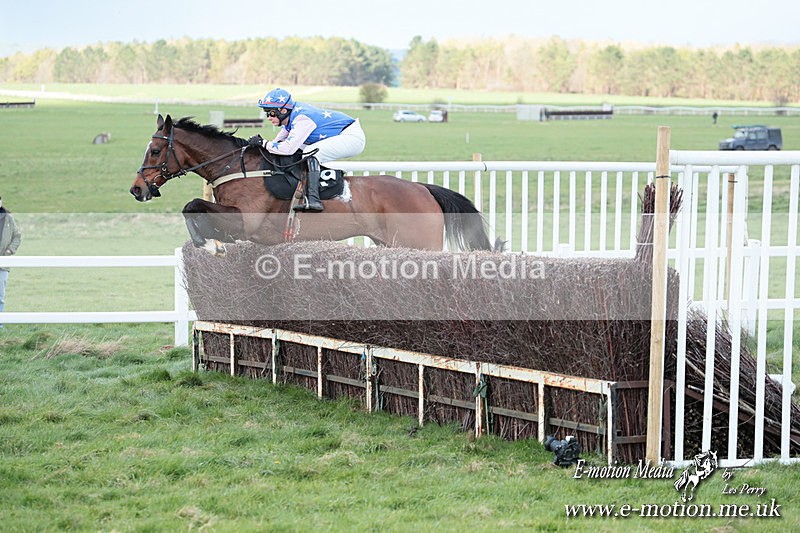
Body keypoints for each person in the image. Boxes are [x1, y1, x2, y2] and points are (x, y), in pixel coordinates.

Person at [248, 88, 366, 212]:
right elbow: (278, 144)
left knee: (310, 151)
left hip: (352, 138)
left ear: (283, 110)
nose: (268, 117)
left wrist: (263, 143)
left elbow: (287, 149)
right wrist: (263, 145)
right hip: (341, 133)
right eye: (266, 113)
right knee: (300, 150)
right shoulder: (291, 116)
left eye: (271, 113)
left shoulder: (301, 119)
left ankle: (314, 199)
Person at [0, 194, 22, 324]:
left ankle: (0, 323)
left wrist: (9, 251)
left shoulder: (8, 219)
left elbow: (17, 236)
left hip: (3, 263)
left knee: (0, 295)